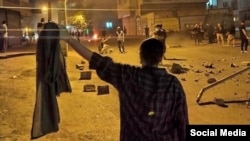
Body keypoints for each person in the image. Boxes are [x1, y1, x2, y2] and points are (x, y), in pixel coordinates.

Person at [59, 24, 189, 141]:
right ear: (160, 58)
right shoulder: (173, 85)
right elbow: (183, 124)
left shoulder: (127, 76)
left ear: (140, 56)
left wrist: (69, 39)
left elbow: (96, 60)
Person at [31, 22, 72, 139]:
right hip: (47, 74)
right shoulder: (47, 40)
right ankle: (49, 123)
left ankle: (52, 120)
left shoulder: (44, 38)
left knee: (48, 97)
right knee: (46, 97)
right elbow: (52, 57)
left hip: (46, 74)